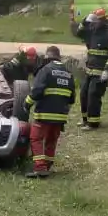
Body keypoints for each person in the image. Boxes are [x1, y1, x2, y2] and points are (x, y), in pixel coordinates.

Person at [20, 45, 76, 179]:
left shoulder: (45, 70)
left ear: (48, 58)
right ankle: (48, 165)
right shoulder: (68, 73)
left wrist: (26, 104)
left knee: (36, 138)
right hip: (60, 116)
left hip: (44, 114)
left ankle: (40, 168)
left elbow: (37, 91)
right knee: (51, 140)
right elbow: (72, 98)